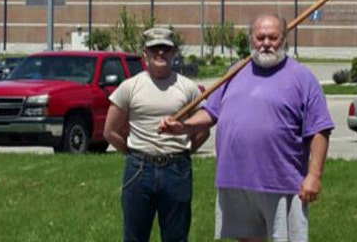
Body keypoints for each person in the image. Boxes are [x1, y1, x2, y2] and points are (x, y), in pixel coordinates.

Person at [159, 13, 335, 241]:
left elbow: (320, 129)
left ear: (284, 40)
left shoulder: (302, 78)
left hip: (281, 182)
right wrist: (183, 127)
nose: (266, 44)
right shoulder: (235, 72)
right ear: (251, 39)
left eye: (273, 37)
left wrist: (314, 176)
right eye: (260, 37)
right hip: (236, 179)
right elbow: (211, 112)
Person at [104, 26, 209, 242]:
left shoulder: (188, 89)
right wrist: (133, 153)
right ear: (145, 54)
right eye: (154, 49)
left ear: (173, 53)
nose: (160, 53)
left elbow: (203, 129)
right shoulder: (129, 87)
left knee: (176, 237)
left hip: (177, 171)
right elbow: (110, 131)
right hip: (139, 171)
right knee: (134, 237)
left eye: (165, 49)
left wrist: (184, 151)